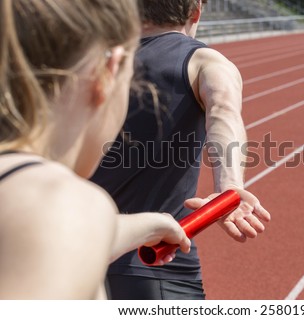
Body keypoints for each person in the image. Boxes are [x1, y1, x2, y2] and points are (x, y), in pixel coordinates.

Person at [0, 0, 190, 299]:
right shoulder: (56, 201)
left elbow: (65, 240)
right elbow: (56, 225)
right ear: (107, 71)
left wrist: (151, 225)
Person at [91, 0, 271, 300]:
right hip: (155, 260)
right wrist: (229, 188)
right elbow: (224, 110)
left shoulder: (93, 62)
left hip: (74, 254)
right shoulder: (204, 61)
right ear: (196, 10)